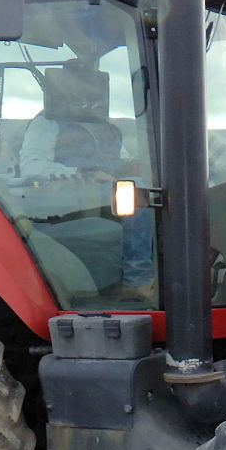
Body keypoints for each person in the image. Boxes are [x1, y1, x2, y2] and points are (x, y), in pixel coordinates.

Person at [19, 61, 155, 299]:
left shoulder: (106, 127)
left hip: (104, 193)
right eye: (80, 83)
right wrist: (83, 173)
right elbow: (31, 167)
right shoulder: (47, 122)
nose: (87, 90)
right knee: (134, 192)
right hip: (67, 196)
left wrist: (130, 165)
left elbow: (115, 163)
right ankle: (136, 279)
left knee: (154, 188)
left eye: (92, 84)